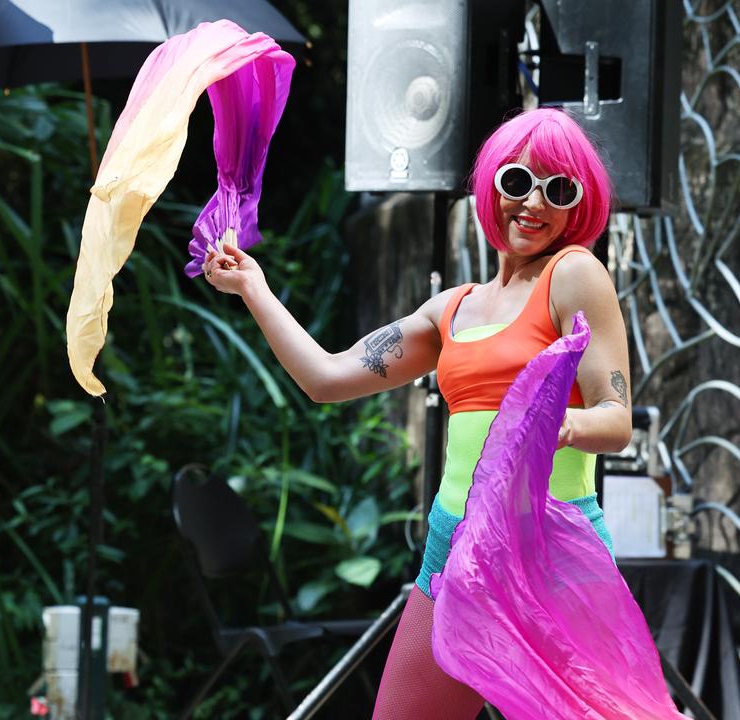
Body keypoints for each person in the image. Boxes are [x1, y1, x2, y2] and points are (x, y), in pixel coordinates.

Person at [201, 108, 632, 719]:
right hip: (453, 549)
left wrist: (559, 424)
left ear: (575, 208)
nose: (534, 203)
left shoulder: (574, 274)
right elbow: (326, 378)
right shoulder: (451, 311)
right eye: (518, 182)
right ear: (491, 188)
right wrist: (254, 290)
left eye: (558, 190)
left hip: (551, 556)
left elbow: (617, 419)